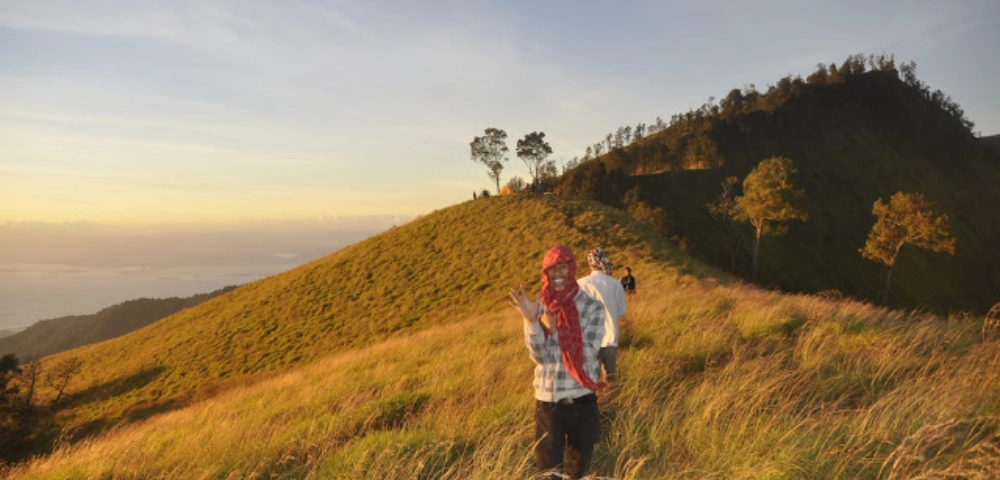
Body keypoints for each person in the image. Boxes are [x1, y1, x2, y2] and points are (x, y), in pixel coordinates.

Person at [509, 245, 607, 479]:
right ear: (546, 273)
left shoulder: (593, 307)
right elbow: (539, 358)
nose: (557, 274)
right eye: (551, 269)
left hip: (583, 399)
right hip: (549, 403)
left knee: (580, 471)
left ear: (571, 268)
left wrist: (554, 333)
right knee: (548, 473)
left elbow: (588, 353)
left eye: (562, 267)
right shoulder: (538, 308)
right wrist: (532, 322)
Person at [577, 248, 626, 383]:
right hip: (610, 337)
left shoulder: (580, 284)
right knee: (610, 377)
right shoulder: (615, 284)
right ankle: (612, 400)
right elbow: (621, 311)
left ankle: (597, 403)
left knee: (591, 379)